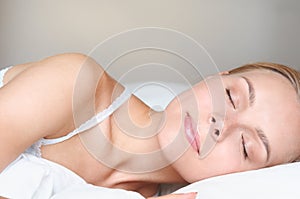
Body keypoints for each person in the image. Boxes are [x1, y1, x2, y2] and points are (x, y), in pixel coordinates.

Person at [0, 53, 299, 199]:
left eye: (247, 147)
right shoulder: (75, 85)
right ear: (216, 76)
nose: (221, 124)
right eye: (231, 96)